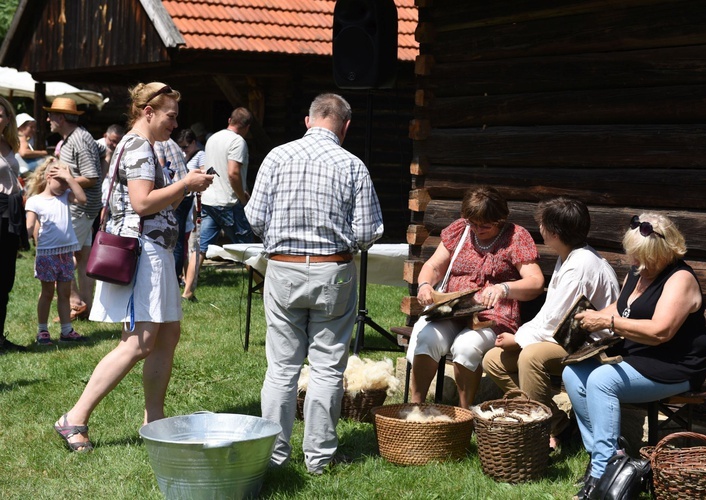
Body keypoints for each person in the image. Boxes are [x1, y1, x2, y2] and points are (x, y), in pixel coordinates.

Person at [53, 82, 214, 452]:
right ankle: (73, 418)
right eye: (171, 116)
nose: (175, 123)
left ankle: (153, 423)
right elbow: (142, 204)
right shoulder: (140, 146)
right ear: (148, 112)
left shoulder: (141, 145)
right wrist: (187, 183)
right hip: (143, 254)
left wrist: (185, 187)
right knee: (138, 343)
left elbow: (152, 204)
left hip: (154, 251)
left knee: (167, 336)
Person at [245, 93, 384, 474]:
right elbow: (369, 231)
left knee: (281, 368)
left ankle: (273, 457)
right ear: (346, 126)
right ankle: (319, 459)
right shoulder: (353, 165)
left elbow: (255, 217)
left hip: (284, 268)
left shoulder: (276, 157)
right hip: (332, 270)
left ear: (308, 121)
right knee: (325, 368)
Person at [564, 213, 706, 500]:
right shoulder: (638, 272)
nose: (634, 263)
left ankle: (601, 473)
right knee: (574, 372)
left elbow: (660, 331)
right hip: (636, 357)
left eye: (641, 257)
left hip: (674, 366)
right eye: (633, 256)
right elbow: (621, 309)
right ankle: (606, 459)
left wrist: (607, 323)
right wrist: (588, 317)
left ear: (662, 253)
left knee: (602, 380)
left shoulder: (680, 278)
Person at [481, 197, 620, 450]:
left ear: (554, 233)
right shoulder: (568, 257)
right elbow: (552, 314)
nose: (540, 229)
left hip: (590, 345)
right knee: (493, 360)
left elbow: (556, 321)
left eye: (543, 225)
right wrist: (520, 338)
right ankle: (557, 424)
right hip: (567, 337)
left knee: (531, 357)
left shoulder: (580, 266)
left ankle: (537, 435)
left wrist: (519, 339)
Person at [406, 186, 545, 409]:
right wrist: (424, 286)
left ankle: (464, 413)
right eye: (473, 223)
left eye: (486, 225)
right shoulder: (461, 230)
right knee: (427, 338)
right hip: (453, 310)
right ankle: (415, 407)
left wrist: (504, 289)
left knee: (466, 346)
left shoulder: (515, 236)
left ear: (500, 218)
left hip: (492, 316)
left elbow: (536, 282)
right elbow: (433, 265)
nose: (478, 229)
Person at [44, 97, 103, 320]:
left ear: (61, 117)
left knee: (61, 256)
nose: (48, 119)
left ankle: (75, 303)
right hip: (82, 207)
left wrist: (64, 176)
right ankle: (86, 307)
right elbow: (102, 154)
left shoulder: (78, 139)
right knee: (83, 257)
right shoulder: (74, 138)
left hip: (80, 208)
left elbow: (91, 177)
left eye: (51, 115)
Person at [25, 158, 88, 345]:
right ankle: (42, 330)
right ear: (47, 177)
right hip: (47, 255)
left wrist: (69, 178)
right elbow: (29, 226)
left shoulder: (65, 196)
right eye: (59, 181)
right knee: (46, 293)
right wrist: (22, 238)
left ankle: (66, 330)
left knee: (65, 294)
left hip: (66, 254)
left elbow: (83, 199)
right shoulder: (35, 201)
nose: (62, 186)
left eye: (65, 182)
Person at [197, 107, 254, 273]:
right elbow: (233, 173)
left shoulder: (213, 138)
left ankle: (188, 288)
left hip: (209, 199)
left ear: (230, 120)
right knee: (248, 247)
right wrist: (242, 197)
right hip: (229, 202)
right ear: (247, 127)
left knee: (201, 247)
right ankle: (262, 287)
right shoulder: (237, 141)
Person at [0, 96, 27, 353]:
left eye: (0, 114)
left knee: (6, 277)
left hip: (11, 210)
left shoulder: (9, 144)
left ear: (8, 118)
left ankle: (0, 338)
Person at [154, 136, 191, 279]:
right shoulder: (171, 141)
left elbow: (162, 170)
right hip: (185, 192)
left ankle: (173, 277)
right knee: (179, 236)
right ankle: (176, 276)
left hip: (177, 192)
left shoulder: (158, 142)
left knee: (174, 238)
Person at [177, 129, 204, 302]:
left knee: (193, 244)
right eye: (182, 147)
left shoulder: (201, 155)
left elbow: (203, 177)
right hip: (184, 201)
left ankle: (188, 286)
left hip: (194, 204)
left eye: (186, 146)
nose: (184, 150)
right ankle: (186, 281)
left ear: (194, 143)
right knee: (186, 244)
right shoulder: (185, 155)